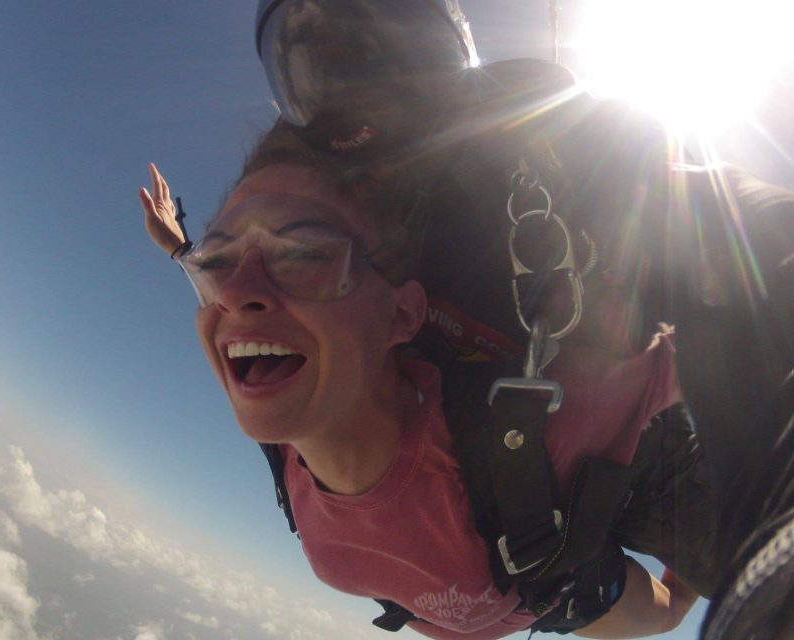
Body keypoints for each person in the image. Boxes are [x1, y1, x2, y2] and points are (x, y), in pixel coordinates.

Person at [251, 2, 794, 638]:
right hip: (506, 508)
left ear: (448, 54)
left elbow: (722, 216)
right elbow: (248, 294)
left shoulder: (550, 150)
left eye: (387, 57)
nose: (359, 99)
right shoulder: (316, 205)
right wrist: (189, 253)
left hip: (636, 448)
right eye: (322, 68)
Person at [138, 125, 701, 639]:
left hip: (562, 558)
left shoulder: (532, 436)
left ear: (402, 316)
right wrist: (180, 248)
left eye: (304, 255)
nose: (235, 293)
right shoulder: (291, 387)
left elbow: (702, 352)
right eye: (219, 260)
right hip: (531, 579)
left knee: (690, 594)